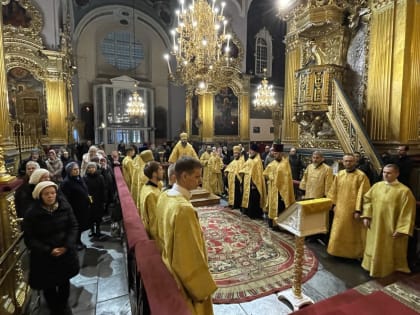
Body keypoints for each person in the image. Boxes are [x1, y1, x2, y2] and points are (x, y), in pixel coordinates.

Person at [154, 157, 217, 315]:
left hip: (166, 261)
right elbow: (188, 256)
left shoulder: (165, 195)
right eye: (196, 176)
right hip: (182, 282)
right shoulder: (184, 209)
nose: (200, 180)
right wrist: (201, 288)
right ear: (183, 176)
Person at [23, 181, 79, 315]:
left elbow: (73, 226)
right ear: (40, 195)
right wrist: (48, 250)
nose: (50, 196)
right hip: (45, 257)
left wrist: (66, 245)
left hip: (65, 253)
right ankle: (55, 308)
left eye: (53, 193)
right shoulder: (32, 213)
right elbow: (30, 238)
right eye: (46, 194)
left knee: (64, 282)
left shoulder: (64, 206)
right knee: (48, 286)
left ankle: (64, 305)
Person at [361, 164, 416, 277]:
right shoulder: (377, 186)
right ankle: (370, 266)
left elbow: (408, 212)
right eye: (384, 172)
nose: (385, 175)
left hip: (391, 228)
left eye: (389, 173)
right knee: (373, 245)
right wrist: (366, 216)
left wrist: (401, 229)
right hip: (375, 224)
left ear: (397, 174)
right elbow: (367, 200)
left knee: (388, 249)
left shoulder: (404, 191)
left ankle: (387, 268)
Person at [327, 153, 370, 259]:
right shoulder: (340, 174)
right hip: (340, 208)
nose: (348, 163)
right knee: (338, 230)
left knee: (352, 232)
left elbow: (363, 194)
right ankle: (336, 251)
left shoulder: (361, 176)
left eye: (350, 161)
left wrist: (358, 210)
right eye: (346, 161)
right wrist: (333, 204)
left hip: (352, 210)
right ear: (343, 161)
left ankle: (352, 254)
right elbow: (333, 191)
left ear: (355, 162)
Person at [263, 144, 295, 229]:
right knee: (272, 206)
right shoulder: (272, 164)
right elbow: (265, 173)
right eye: (274, 153)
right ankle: (272, 223)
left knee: (280, 207)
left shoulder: (285, 163)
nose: (274, 154)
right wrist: (270, 177)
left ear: (281, 153)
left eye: (277, 153)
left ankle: (279, 225)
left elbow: (287, 177)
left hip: (282, 190)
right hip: (272, 188)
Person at [61, 162, 91, 250]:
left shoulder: (78, 178)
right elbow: (66, 198)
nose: (77, 171)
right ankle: (75, 243)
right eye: (74, 169)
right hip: (74, 208)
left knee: (81, 225)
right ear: (69, 171)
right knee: (75, 227)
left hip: (82, 207)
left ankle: (79, 241)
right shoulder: (67, 182)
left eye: (78, 169)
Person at [239, 143, 266, 219]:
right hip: (247, 182)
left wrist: (254, 183)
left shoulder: (257, 161)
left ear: (256, 152)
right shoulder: (249, 159)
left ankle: (254, 214)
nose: (250, 151)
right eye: (250, 150)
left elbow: (258, 173)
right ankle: (247, 212)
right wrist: (242, 172)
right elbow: (244, 168)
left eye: (252, 150)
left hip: (254, 183)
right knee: (248, 198)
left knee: (253, 199)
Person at [139, 161, 164, 238]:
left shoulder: (145, 187)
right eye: (160, 170)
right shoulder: (152, 194)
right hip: (155, 235)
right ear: (154, 174)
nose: (162, 172)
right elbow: (154, 221)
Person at [84, 162, 106, 238]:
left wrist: (103, 200)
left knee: (98, 216)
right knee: (90, 216)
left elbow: (103, 189)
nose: (91, 169)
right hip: (89, 200)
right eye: (89, 168)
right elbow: (84, 190)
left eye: (93, 167)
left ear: (95, 168)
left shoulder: (100, 177)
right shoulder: (85, 178)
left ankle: (98, 229)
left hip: (98, 199)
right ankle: (92, 229)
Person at [224, 146, 244, 210]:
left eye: (236, 153)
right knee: (231, 192)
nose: (235, 155)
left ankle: (236, 205)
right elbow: (229, 167)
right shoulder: (234, 161)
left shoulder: (241, 161)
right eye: (234, 153)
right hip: (231, 180)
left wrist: (236, 176)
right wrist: (226, 171)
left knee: (236, 193)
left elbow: (240, 170)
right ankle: (231, 203)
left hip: (237, 180)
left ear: (239, 154)